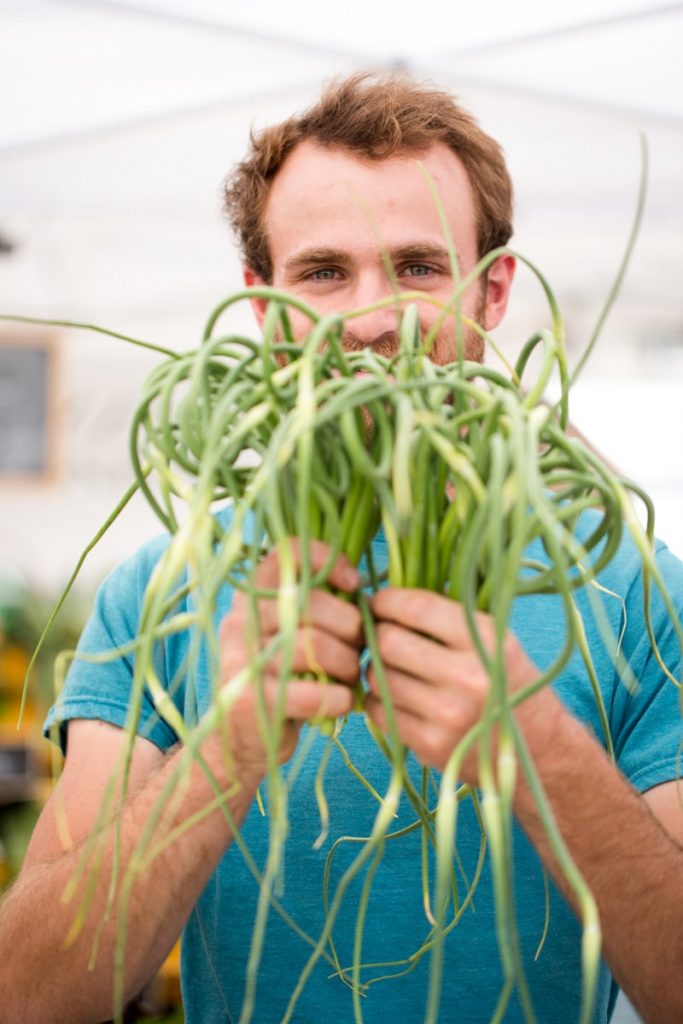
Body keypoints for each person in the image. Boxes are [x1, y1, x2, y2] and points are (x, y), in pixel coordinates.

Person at [1, 72, 682, 1024]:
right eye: (322, 272)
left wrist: (536, 749)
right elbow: (26, 999)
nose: (371, 321)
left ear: (490, 292)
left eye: (417, 266)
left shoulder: (635, 594)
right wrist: (229, 745)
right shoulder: (160, 592)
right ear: (264, 309)